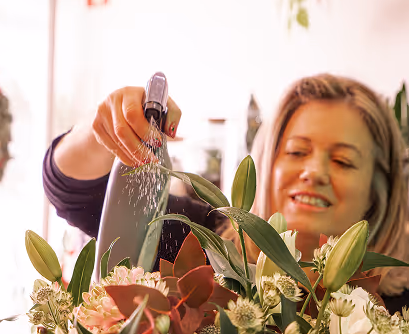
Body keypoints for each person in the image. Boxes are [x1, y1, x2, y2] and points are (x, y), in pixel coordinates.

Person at [43, 74, 409, 312]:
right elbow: (73, 192)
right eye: (297, 152)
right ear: (267, 164)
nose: (313, 172)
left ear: (379, 188)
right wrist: (104, 131)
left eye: (343, 161)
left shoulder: (398, 313)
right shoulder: (195, 242)